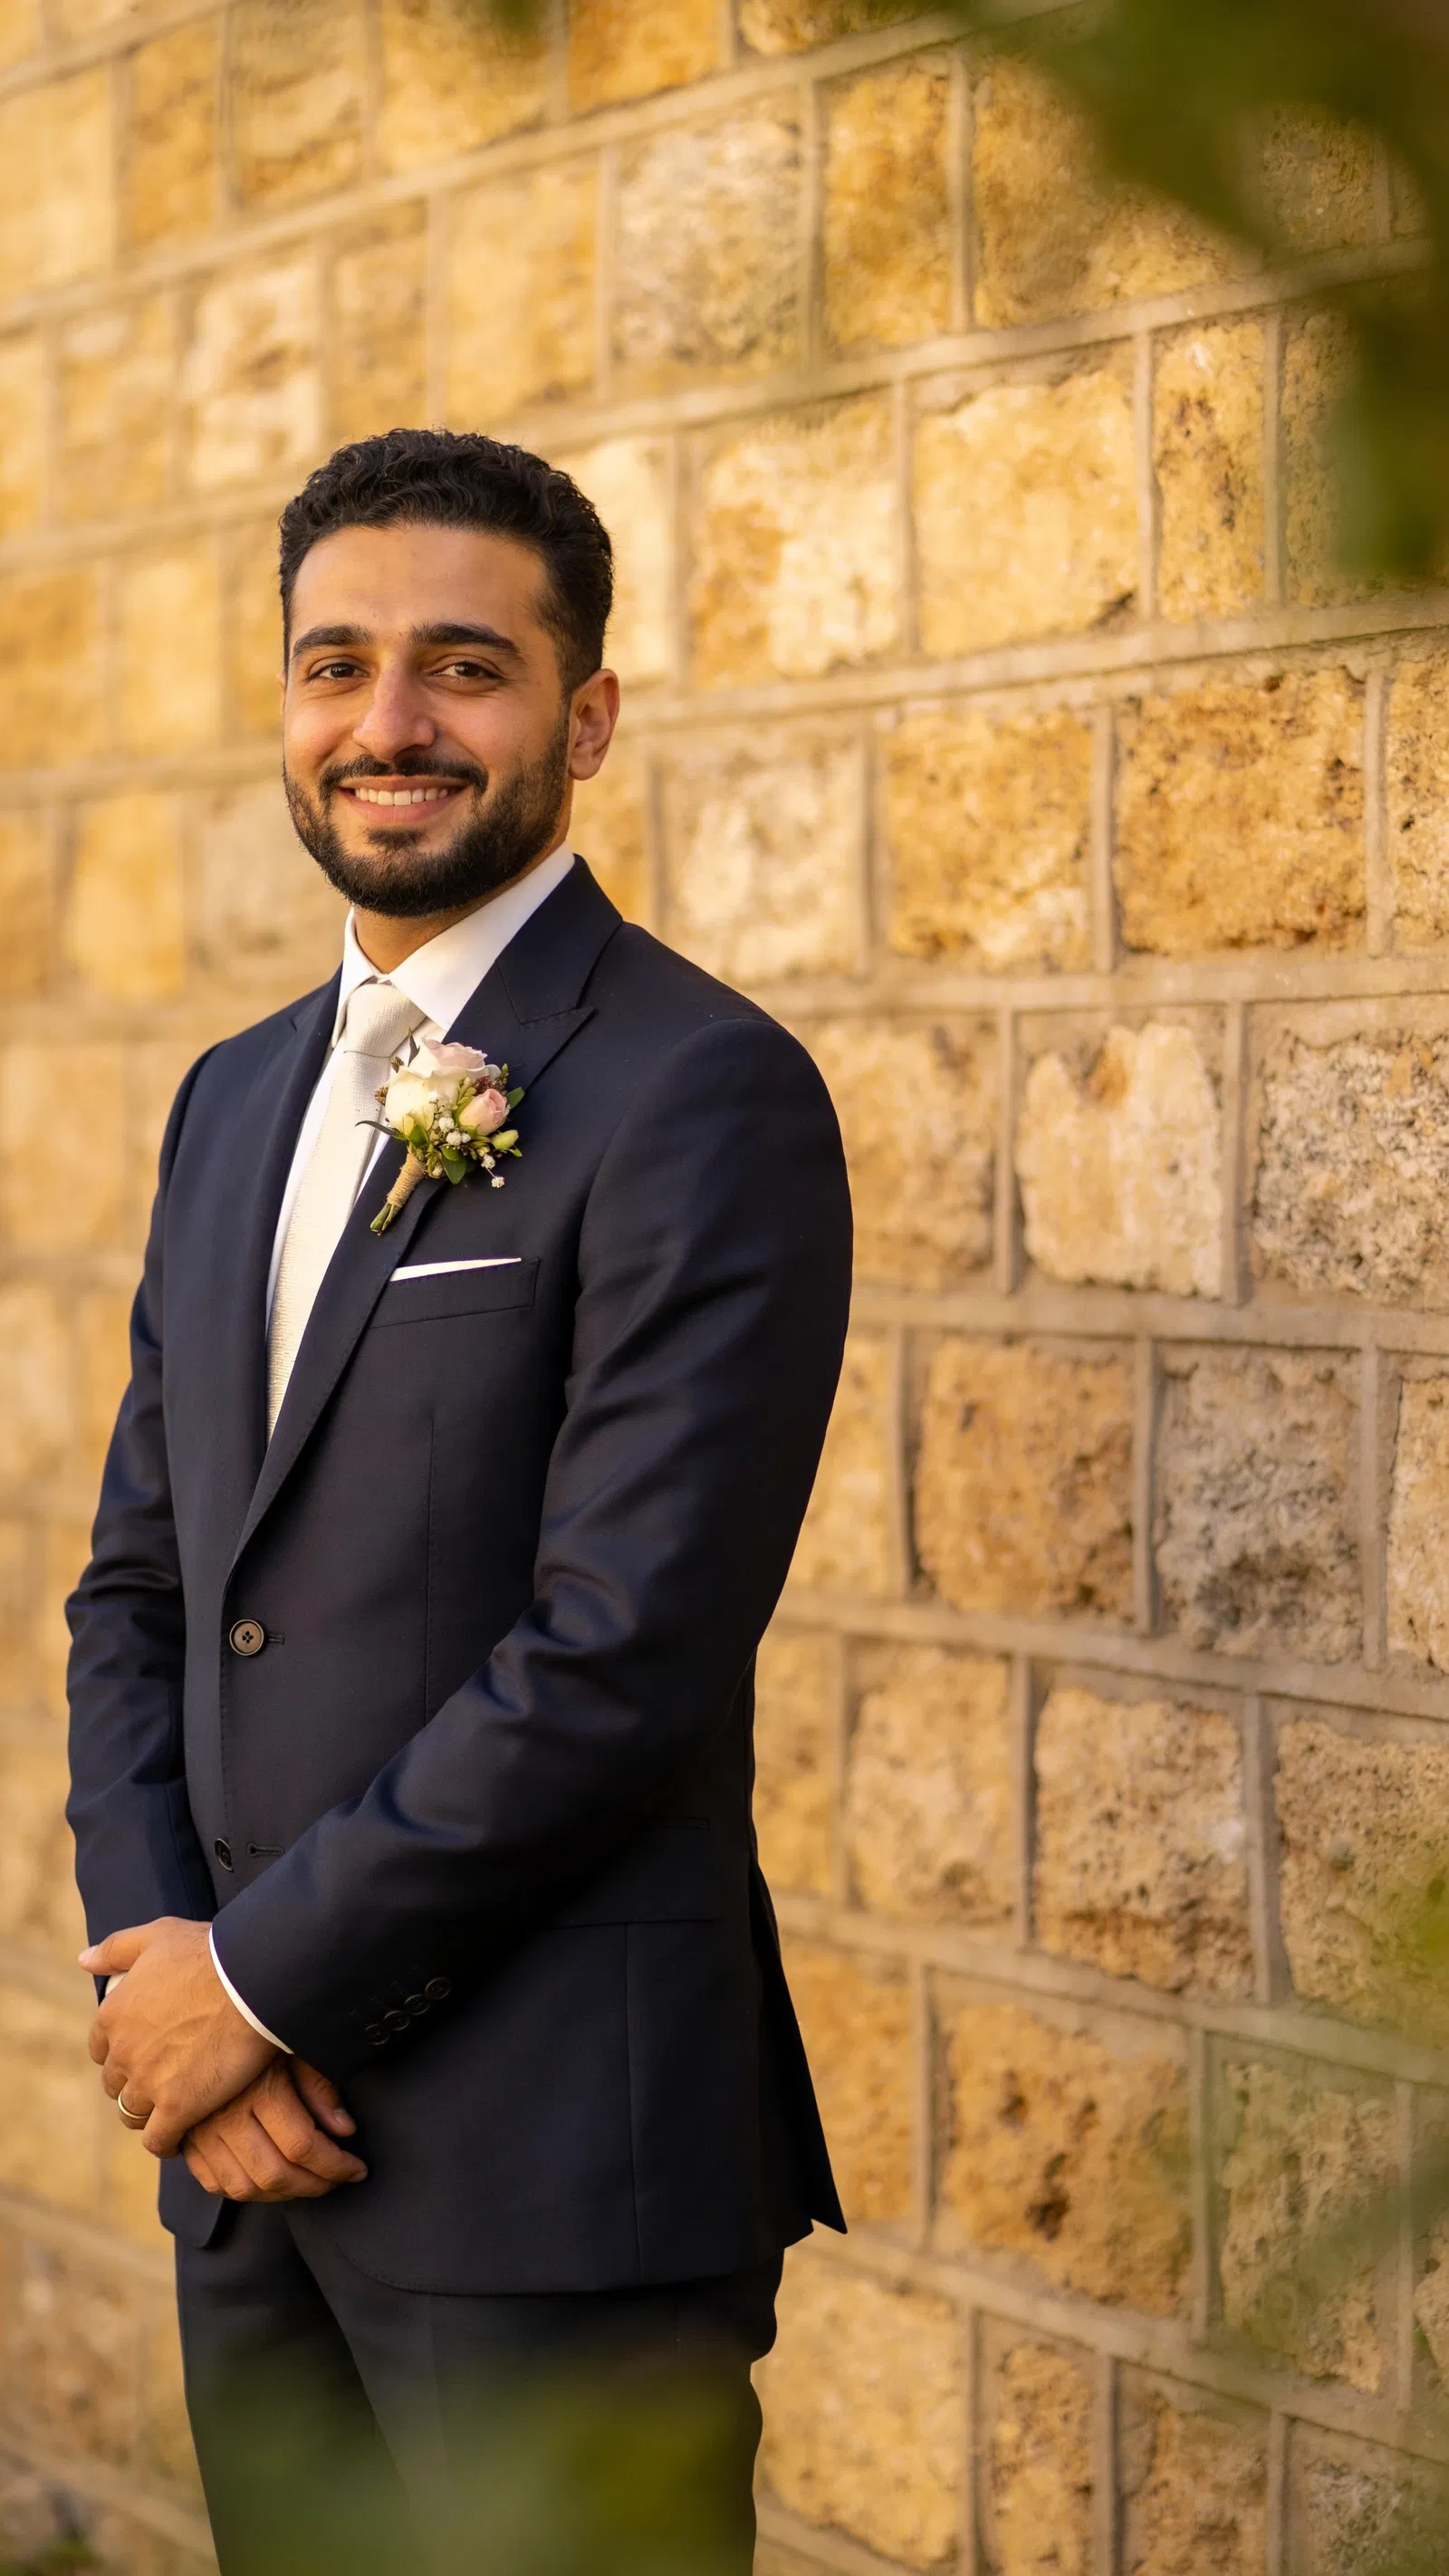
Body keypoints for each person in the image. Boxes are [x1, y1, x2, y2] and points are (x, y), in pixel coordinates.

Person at [64, 428, 851, 2574]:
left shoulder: (701, 1094)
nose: (387, 724)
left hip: (546, 2187)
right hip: (246, 2159)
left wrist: (261, 1991)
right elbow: (143, 1590)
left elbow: (624, 1653)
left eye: (461, 667)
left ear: (582, 717)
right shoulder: (233, 1101)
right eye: (335, 666)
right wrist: (166, 1979)